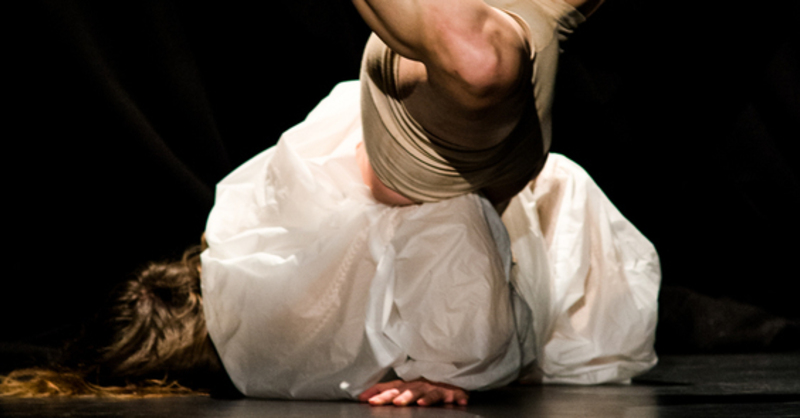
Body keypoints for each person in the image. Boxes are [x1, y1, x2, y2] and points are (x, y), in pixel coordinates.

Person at [1, 0, 660, 406]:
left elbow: (458, 251)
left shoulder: (267, 355)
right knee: (494, 62)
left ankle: (481, 62)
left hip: (460, 170)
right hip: (396, 114)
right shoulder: (234, 232)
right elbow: (332, 134)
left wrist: (451, 370)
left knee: (475, 92)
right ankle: (503, 40)